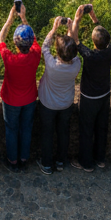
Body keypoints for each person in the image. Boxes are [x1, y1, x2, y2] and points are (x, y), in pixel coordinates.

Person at [0, 3, 40, 172]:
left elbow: (0, 40)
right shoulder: (36, 55)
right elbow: (34, 38)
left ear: (15, 43)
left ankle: (12, 161)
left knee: (11, 130)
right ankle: (24, 158)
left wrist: (9, 20)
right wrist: (23, 18)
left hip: (11, 100)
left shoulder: (9, 59)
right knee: (26, 129)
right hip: (29, 99)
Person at [69, 5, 111, 172]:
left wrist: (77, 19)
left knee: (86, 130)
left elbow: (74, 40)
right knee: (102, 127)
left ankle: (86, 163)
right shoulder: (110, 50)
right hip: (105, 94)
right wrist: (94, 18)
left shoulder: (90, 56)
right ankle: (100, 159)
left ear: (94, 43)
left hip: (89, 98)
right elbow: (105, 36)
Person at [37, 16, 81, 175]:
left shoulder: (51, 64)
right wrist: (70, 30)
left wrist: (54, 28)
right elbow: (72, 50)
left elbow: (44, 46)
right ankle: (61, 161)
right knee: (64, 133)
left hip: (48, 104)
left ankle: (47, 164)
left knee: (47, 133)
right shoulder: (77, 64)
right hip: (66, 104)